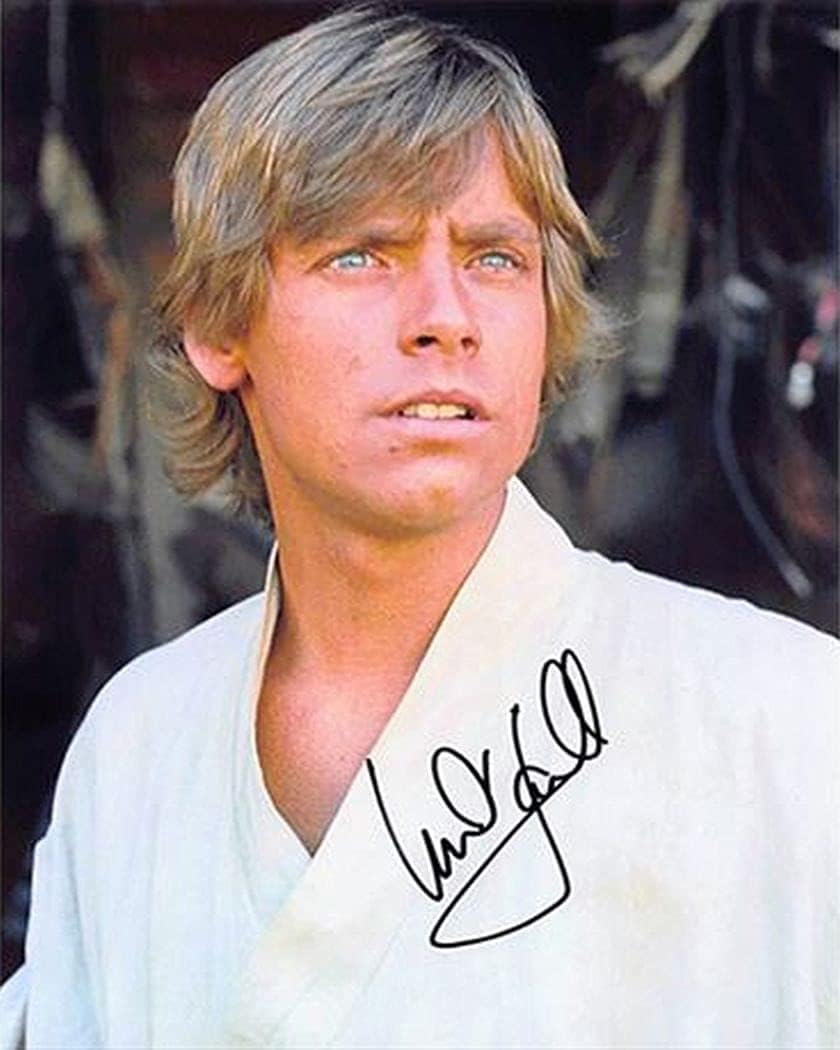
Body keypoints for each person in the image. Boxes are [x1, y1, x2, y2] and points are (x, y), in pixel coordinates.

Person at [2, 6, 837, 1047]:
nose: (446, 316)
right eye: (363, 255)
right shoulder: (137, 748)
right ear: (219, 326)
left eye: (495, 258)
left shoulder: (786, 721)